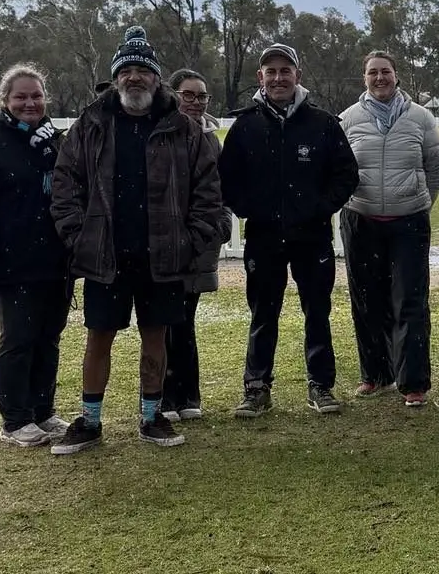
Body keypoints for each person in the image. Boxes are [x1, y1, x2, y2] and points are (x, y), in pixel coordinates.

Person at [48, 26, 226, 454]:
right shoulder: (90, 125)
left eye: (142, 71)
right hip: (105, 256)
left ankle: (152, 416)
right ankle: (90, 421)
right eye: (126, 70)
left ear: (156, 78)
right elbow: (65, 184)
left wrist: (191, 238)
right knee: (99, 338)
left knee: (155, 338)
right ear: (115, 77)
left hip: (162, 257)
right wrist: (78, 235)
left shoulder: (184, 130)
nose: (134, 78)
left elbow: (208, 192)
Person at [219, 43, 359, 417]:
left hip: (312, 236)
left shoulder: (323, 123)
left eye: (285, 70)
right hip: (263, 237)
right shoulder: (246, 125)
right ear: (260, 78)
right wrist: (250, 209)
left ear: (298, 75)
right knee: (263, 313)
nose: (278, 78)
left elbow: (345, 174)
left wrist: (319, 208)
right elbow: (227, 178)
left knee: (317, 312)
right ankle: (256, 388)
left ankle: (321, 386)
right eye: (271, 71)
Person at [0, 64, 71, 448]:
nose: (29, 103)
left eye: (36, 96)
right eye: (20, 96)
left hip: (55, 261)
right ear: (4, 100)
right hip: (11, 263)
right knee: (18, 339)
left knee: (48, 338)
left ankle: (42, 410)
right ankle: (15, 419)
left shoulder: (55, 142)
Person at [338, 50, 439, 407]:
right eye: (372, 73)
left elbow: (434, 167)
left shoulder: (420, 118)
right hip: (360, 220)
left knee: (410, 302)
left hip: (408, 222)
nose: (379, 78)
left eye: (385, 71)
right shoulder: (349, 119)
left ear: (397, 76)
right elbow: (339, 168)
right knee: (367, 300)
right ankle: (375, 374)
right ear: (364, 78)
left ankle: (413, 381)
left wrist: (418, 200)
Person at [161, 68, 231, 422]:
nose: (195, 102)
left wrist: (218, 224)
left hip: (199, 242)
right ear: (173, 95)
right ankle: (165, 396)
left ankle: (188, 395)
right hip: (165, 242)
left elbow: (220, 192)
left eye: (201, 96)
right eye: (188, 95)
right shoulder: (160, 134)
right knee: (166, 320)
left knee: (185, 319)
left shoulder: (211, 140)